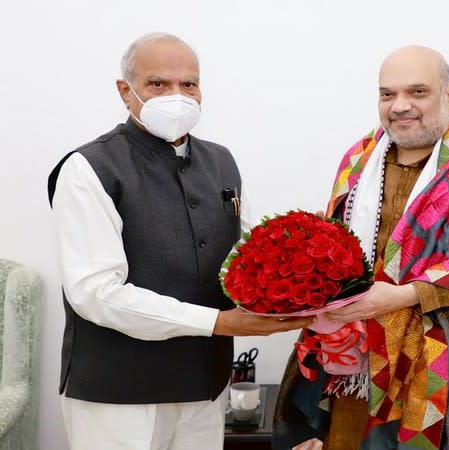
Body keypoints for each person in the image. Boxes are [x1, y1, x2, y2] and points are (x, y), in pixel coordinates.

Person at [272, 46, 449, 449]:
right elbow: (335, 246)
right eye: (387, 94)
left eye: (417, 92)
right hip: (358, 360)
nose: (400, 106)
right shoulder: (359, 159)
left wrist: (403, 296)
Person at [47, 32, 312, 450]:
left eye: (188, 84)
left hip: (205, 385)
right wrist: (221, 323)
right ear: (125, 90)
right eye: (158, 84)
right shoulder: (88, 168)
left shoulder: (221, 161)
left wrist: (310, 282)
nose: (177, 95)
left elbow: (246, 252)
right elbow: (94, 292)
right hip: (119, 393)